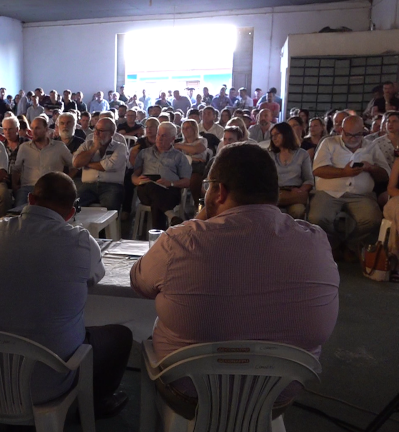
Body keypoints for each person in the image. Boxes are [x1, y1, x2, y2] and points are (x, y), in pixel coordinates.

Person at [131, 143, 338, 408]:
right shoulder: (316, 241)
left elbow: (139, 283)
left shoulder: (182, 240)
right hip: (277, 393)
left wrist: (200, 220)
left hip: (191, 392)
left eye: (209, 185)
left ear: (220, 191)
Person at [0, 172, 132, 417]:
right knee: (120, 336)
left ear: (30, 199)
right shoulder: (80, 241)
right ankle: (94, 404)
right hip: (47, 380)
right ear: (71, 212)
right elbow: (94, 277)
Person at [309, 115, 389, 261]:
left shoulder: (371, 146)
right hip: (329, 192)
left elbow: (385, 175)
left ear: (363, 132)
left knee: (372, 220)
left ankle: (351, 245)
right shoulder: (329, 143)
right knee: (317, 218)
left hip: (361, 194)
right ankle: (333, 244)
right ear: (341, 130)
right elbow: (317, 170)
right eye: (348, 134)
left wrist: (371, 168)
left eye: (356, 135)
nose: (352, 138)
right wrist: (343, 173)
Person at [131, 122, 192, 228]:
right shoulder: (144, 153)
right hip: (146, 190)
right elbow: (134, 175)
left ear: (172, 139)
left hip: (169, 191)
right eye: (158, 134)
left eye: (164, 136)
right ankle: (171, 216)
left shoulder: (179, 157)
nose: (159, 138)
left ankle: (157, 235)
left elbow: (187, 182)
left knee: (157, 202)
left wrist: (170, 183)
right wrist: (137, 180)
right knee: (151, 185)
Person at [12, 117, 74, 206]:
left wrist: (65, 181)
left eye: (37, 128)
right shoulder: (24, 147)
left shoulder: (59, 147)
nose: (33, 132)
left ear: (46, 129)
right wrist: (15, 186)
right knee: (19, 210)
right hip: (29, 188)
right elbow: (16, 169)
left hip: (52, 188)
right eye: (32, 128)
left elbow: (74, 165)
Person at [73, 118, 127, 210]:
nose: (96, 133)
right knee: (75, 205)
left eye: (101, 131)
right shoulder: (87, 145)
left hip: (111, 186)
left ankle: (108, 225)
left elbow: (109, 166)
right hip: (87, 185)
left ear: (111, 133)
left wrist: (87, 163)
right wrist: (94, 148)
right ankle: (80, 224)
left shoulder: (120, 147)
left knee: (110, 208)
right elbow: (76, 163)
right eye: (95, 129)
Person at [268, 122, 313, 219]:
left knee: (298, 211)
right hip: (276, 192)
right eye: (272, 136)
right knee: (271, 213)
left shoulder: (302, 154)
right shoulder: (270, 155)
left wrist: (301, 190)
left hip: (295, 192)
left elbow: (309, 179)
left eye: (277, 134)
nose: (274, 138)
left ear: (286, 134)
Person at [174, 119, 208, 207]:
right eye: (183, 128)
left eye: (188, 128)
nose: (185, 130)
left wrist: (180, 147)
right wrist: (193, 159)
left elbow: (195, 150)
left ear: (194, 129)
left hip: (197, 169)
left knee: (194, 179)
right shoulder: (180, 143)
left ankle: (198, 205)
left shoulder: (202, 141)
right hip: (183, 168)